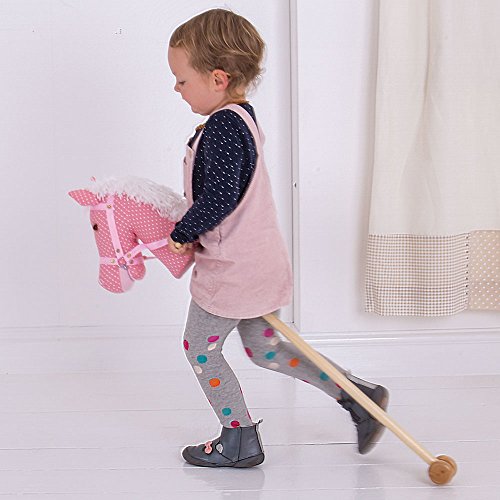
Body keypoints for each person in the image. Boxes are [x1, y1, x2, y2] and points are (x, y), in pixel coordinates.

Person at [166, 8, 389, 468]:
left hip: (233, 271)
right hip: (260, 261)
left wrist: (183, 231)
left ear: (218, 78)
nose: (176, 88)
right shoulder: (241, 117)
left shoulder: (223, 127)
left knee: (200, 349)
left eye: (182, 80)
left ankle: (238, 437)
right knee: (265, 348)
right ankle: (357, 394)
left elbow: (220, 197)